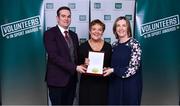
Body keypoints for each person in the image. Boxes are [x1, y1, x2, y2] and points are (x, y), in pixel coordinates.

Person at [43, 6, 86, 105]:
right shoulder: (49, 34)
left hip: (71, 80)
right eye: (63, 16)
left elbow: (75, 56)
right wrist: (75, 67)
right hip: (57, 81)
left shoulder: (74, 35)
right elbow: (54, 57)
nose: (66, 19)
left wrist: (85, 63)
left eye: (69, 16)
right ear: (57, 18)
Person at [107, 16, 142, 105]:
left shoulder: (134, 44)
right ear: (115, 29)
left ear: (128, 28)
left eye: (124, 25)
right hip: (115, 85)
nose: (121, 28)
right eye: (118, 25)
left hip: (130, 86)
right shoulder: (114, 45)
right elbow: (110, 65)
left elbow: (133, 68)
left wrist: (113, 70)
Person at [78, 19, 112, 105]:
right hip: (87, 85)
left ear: (102, 32)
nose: (96, 32)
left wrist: (108, 69)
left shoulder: (108, 47)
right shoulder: (83, 46)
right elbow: (78, 66)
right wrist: (84, 64)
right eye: (94, 29)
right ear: (90, 31)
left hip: (103, 84)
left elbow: (111, 66)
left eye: (99, 29)